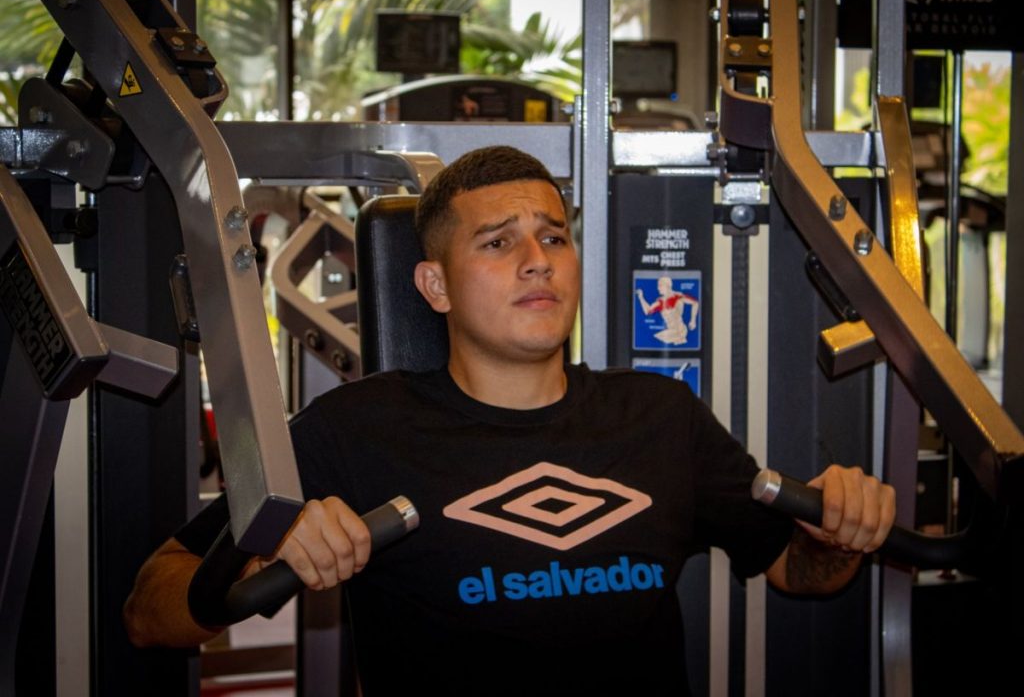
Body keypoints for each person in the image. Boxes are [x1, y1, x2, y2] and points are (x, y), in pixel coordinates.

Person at [123, 146, 895, 695]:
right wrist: (260, 560)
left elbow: (797, 570)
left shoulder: (660, 417)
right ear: (435, 286)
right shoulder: (353, 430)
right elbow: (147, 611)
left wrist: (839, 537)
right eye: (498, 242)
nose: (538, 259)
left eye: (553, 236)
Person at [636, 275, 700, 345]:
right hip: (671, 332)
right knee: (656, 339)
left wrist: (693, 320)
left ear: (667, 285)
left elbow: (695, 303)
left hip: (680, 330)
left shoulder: (677, 296)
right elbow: (647, 311)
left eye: (660, 285)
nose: (658, 288)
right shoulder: (660, 301)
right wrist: (641, 297)